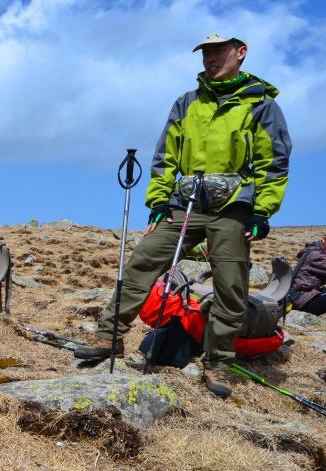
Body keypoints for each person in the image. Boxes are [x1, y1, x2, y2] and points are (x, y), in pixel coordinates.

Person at [73, 34, 291, 398]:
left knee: (231, 286)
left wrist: (262, 210)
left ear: (240, 53)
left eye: (219, 51)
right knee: (144, 260)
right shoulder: (187, 102)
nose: (211, 58)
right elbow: (165, 156)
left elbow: (274, 162)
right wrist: (159, 201)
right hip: (184, 203)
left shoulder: (262, 105)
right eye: (206, 53)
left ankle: (218, 363)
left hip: (233, 208)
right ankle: (109, 338)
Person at [290, 233, 326, 316]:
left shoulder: (312, 249)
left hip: (298, 294)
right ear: (324, 238)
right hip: (301, 299)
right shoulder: (317, 256)